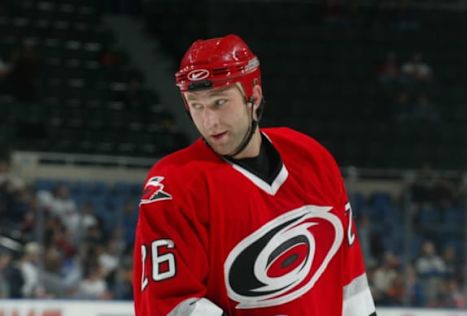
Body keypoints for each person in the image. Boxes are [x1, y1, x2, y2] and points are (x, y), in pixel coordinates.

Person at [133, 34, 376, 316]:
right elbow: (167, 305)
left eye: (220, 102)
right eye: (196, 105)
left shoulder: (312, 158)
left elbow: (350, 280)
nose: (209, 121)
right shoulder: (174, 184)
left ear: (254, 96)